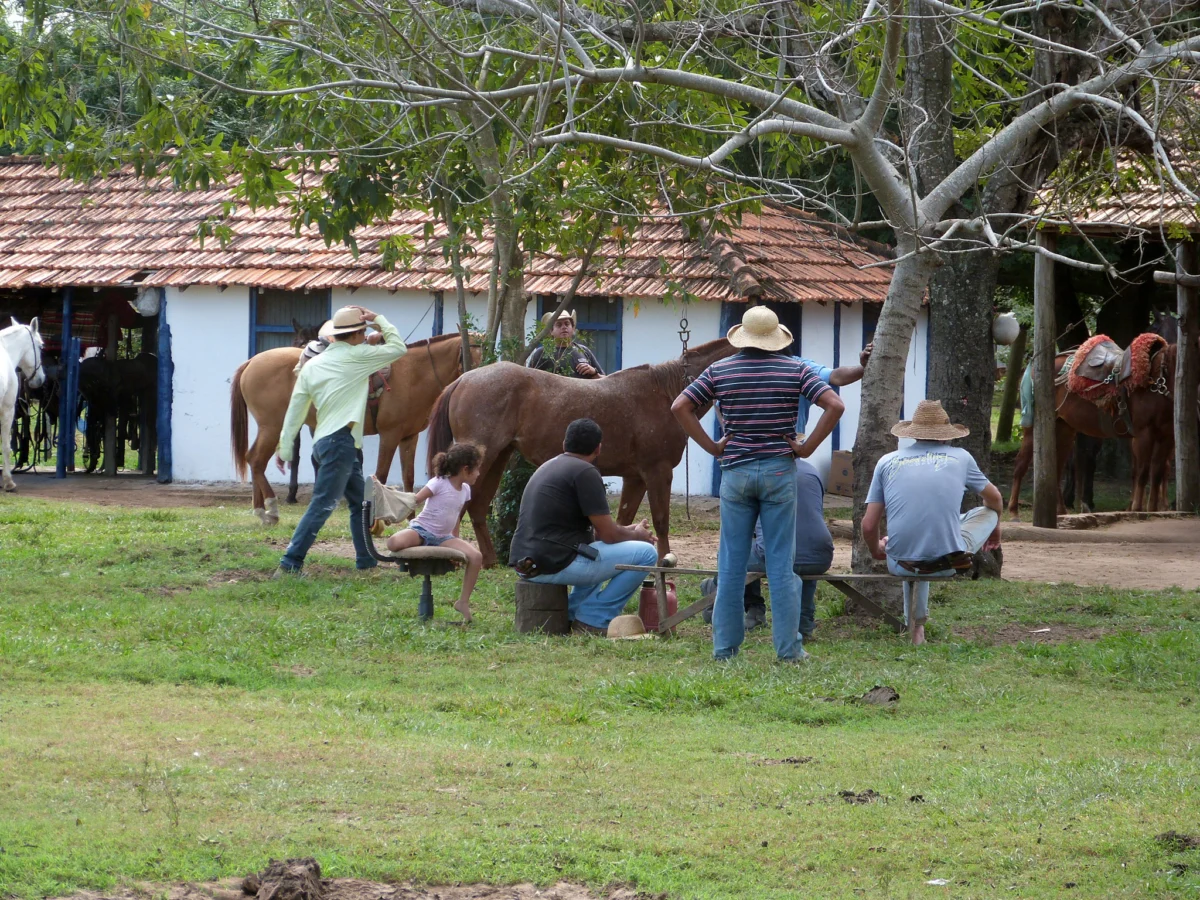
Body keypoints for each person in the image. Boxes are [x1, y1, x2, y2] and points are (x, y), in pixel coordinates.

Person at [672, 306, 844, 661]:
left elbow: (680, 407)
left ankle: (725, 649)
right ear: (776, 338)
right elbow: (835, 405)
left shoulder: (719, 370)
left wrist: (713, 447)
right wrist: (806, 446)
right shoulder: (795, 369)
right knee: (781, 565)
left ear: (742, 338)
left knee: (731, 565)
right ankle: (788, 650)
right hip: (780, 472)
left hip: (735, 472)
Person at [733, 341, 874, 633]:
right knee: (794, 534)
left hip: (757, 459)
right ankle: (799, 623)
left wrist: (720, 445)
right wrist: (806, 449)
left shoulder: (780, 366)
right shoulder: (793, 367)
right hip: (787, 457)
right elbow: (836, 386)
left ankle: (748, 608)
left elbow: (837, 377)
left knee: (745, 536)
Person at [274, 306, 407, 575]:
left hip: (324, 444)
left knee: (360, 504)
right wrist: (378, 320)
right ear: (358, 334)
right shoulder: (359, 356)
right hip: (341, 444)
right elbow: (398, 348)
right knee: (322, 504)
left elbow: (296, 409)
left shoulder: (311, 365)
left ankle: (366, 562)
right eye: (363, 331)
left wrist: (285, 446)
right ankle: (290, 563)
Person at [862, 399, 1003, 645]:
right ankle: (918, 629)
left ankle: (915, 630)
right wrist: (996, 529)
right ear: (946, 436)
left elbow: (868, 525)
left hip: (900, 563)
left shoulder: (886, 461)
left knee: (915, 550)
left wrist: (877, 550)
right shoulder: (961, 457)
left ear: (912, 434)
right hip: (948, 561)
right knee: (986, 513)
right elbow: (995, 499)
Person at [508, 418, 658, 634]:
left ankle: (574, 612)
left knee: (594, 551)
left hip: (528, 563)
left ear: (564, 444)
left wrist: (631, 531)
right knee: (646, 553)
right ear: (598, 448)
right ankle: (595, 618)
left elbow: (599, 533)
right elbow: (608, 535)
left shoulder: (549, 466)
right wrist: (637, 536)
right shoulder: (585, 472)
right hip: (552, 563)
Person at [700, 458, 834, 654]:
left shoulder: (756, 471)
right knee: (800, 555)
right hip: (821, 554)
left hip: (777, 552)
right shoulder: (812, 471)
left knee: (736, 555)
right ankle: (803, 624)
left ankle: (750, 609)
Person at [386, 442, 484, 623]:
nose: (479, 474)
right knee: (393, 543)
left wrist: (456, 541)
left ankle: (463, 602)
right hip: (422, 530)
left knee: (476, 557)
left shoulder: (466, 490)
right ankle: (411, 539)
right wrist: (387, 496)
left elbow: (455, 516)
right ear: (465, 469)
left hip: (443, 537)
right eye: (477, 469)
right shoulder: (438, 483)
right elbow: (414, 500)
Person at [527, 310, 604, 378]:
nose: (564, 327)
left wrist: (594, 372)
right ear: (551, 331)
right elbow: (529, 381)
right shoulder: (541, 353)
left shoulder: (584, 351)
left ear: (573, 329)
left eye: (567, 324)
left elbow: (604, 380)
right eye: (559, 325)